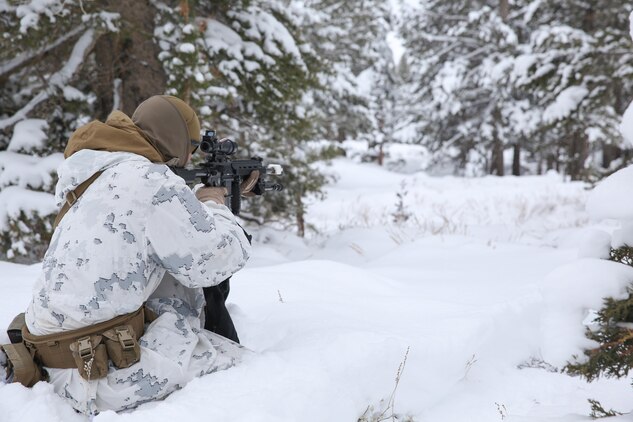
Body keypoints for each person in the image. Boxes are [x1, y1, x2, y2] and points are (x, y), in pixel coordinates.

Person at [3, 95, 254, 414]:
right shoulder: (152, 180)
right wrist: (214, 203)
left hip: (45, 360)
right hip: (94, 377)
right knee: (247, 369)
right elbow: (215, 260)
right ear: (176, 140)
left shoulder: (94, 175)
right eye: (190, 148)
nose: (190, 158)